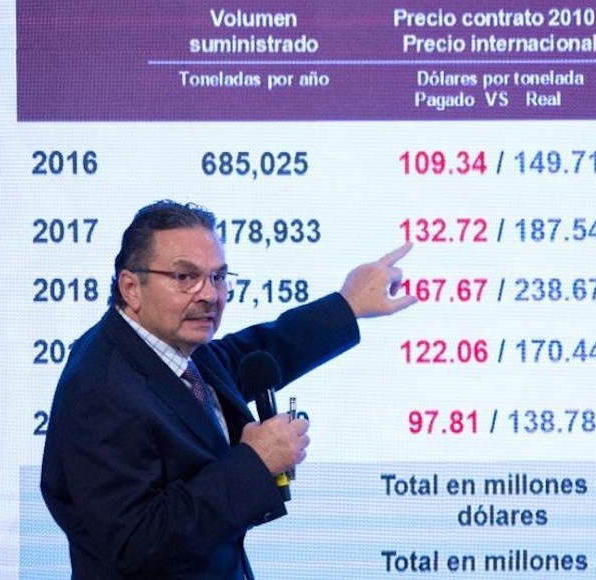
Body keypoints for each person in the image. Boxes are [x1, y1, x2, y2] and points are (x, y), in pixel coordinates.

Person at [40, 200, 416, 579]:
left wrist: (347, 306)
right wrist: (256, 461)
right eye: (185, 277)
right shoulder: (101, 390)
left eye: (218, 277)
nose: (209, 294)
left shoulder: (167, 346)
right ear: (131, 287)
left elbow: (251, 354)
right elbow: (137, 543)